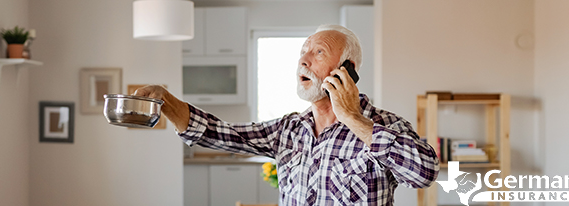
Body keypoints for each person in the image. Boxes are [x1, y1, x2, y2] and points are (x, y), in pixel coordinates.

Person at [134, 25, 439, 205]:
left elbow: (424, 173)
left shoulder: (386, 126)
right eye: (303, 52)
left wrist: (353, 119)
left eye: (317, 52)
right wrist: (166, 100)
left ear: (347, 71)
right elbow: (220, 133)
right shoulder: (289, 129)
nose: (303, 61)